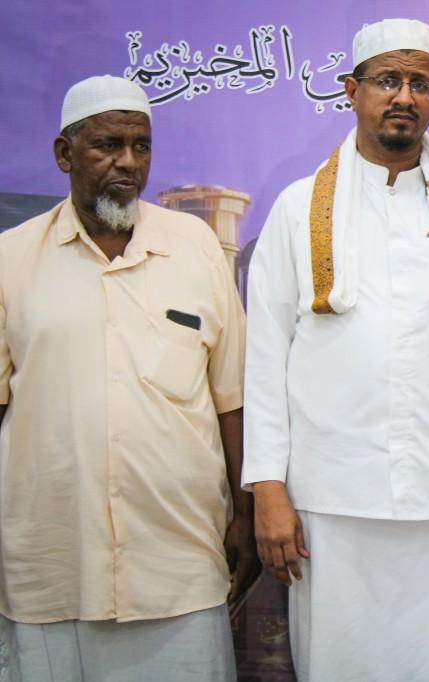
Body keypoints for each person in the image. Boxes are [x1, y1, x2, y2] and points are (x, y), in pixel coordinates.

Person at [242, 18, 429, 681]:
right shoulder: (297, 209)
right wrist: (267, 488)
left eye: (420, 83)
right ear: (352, 90)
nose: (405, 96)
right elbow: (265, 359)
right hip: (330, 499)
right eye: (388, 80)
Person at [0, 75, 256, 681]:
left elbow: (233, 398)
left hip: (179, 563)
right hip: (51, 566)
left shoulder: (195, 247)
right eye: (107, 145)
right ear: (64, 154)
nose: (128, 162)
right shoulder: (11, 258)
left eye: (141, 146)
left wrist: (246, 515)